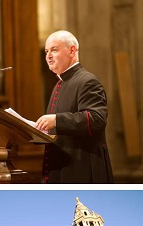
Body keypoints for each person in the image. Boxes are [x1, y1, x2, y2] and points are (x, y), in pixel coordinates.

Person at [35, 30, 113, 183]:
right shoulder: (59, 84)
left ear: (72, 50)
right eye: (46, 51)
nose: (48, 56)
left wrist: (57, 120)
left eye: (54, 50)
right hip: (61, 166)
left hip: (82, 167)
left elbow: (96, 119)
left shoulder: (87, 81)